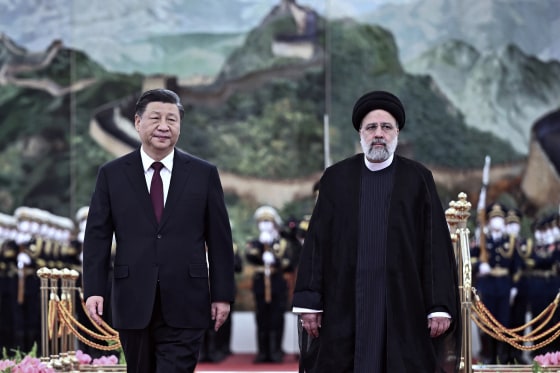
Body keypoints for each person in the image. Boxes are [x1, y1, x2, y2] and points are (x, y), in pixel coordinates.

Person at [292, 90, 461, 372]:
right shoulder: (335, 178)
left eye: (386, 127)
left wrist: (439, 306)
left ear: (397, 133)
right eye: (371, 127)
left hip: (403, 301)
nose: (379, 134)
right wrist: (310, 301)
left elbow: (435, 246)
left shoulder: (418, 179)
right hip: (344, 301)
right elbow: (317, 243)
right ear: (360, 133)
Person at [83, 88, 235, 373]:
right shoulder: (112, 174)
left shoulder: (203, 174)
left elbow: (220, 240)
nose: (164, 126)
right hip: (132, 298)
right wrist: (93, 289)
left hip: (187, 299)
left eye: (172, 119)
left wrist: (222, 294)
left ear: (180, 125)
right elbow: (97, 237)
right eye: (155, 118)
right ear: (137, 122)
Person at [245, 205, 297, 363]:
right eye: (262, 222)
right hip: (261, 282)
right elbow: (250, 257)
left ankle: (275, 351)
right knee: (262, 318)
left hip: (277, 282)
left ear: (274, 223)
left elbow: (289, 263)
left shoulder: (281, 243)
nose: (265, 225)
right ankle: (263, 352)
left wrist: (275, 258)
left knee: (276, 318)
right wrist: (261, 247)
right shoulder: (255, 242)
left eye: (268, 221)